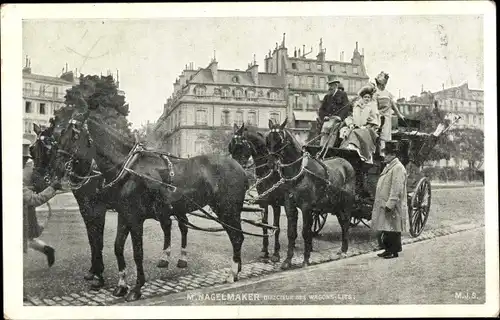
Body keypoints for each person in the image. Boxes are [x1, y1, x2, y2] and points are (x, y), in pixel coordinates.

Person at [23, 139, 61, 267]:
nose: (24, 161)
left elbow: (34, 198)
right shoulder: (28, 167)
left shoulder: (28, 168)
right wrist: (52, 188)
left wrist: (51, 188)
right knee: (27, 238)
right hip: (26, 207)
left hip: (26, 208)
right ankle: (46, 249)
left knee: (26, 239)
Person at [371, 141, 409, 259]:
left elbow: (396, 188)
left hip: (392, 204)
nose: (385, 156)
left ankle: (394, 251)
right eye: (385, 154)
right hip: (385, 202)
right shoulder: (390, 166)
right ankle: (388, 250)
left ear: (393, 155)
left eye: (387, 154)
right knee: (387, 227)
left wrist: (390, 204)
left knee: (393, 228)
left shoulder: (398, 168)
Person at [372, 72, 405, 156]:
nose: (384, 85)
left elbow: (393, 105)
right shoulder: (375, 93)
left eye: (385, 83)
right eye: (382, 84)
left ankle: (385, 154)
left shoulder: (387, 93)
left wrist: (399, 114)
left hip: (387, 117)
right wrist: (377, 115)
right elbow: (374, 106)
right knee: (379, 136)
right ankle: (380, 155)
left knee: (386, 136)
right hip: (378, 117)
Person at [318, 76, 350, 148]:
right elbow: (321, 109)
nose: (330, 87)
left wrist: (340, 117)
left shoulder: (343, 94)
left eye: (331, 85)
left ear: (336, 85)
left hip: (338, 120)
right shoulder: (327, 97)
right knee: (325, 129)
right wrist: (324, 116)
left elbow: (346, 107)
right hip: (328, 119)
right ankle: (321, 148)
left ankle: (329, 148)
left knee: (333, 130)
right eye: (329, 85)